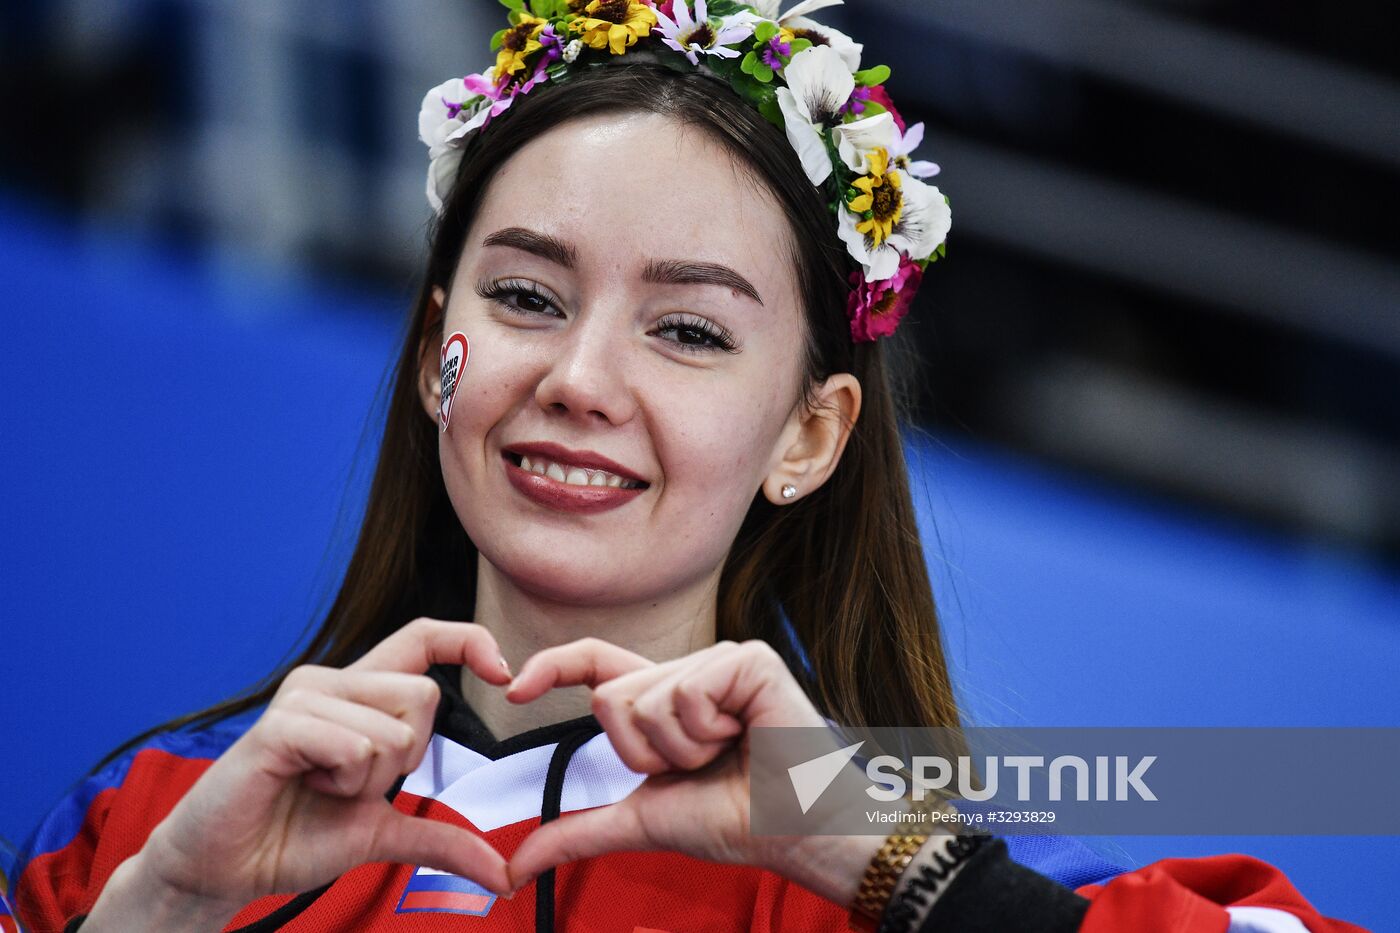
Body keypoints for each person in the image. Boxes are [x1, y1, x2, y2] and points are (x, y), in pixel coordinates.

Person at [7, 1, 1370, 931]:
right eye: (529, 297)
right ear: (438, 352)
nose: (581, 379)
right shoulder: (164, 815)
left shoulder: (915, 841)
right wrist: (160, 912)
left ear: (810, 433)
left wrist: (904, 873)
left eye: (688, 329)